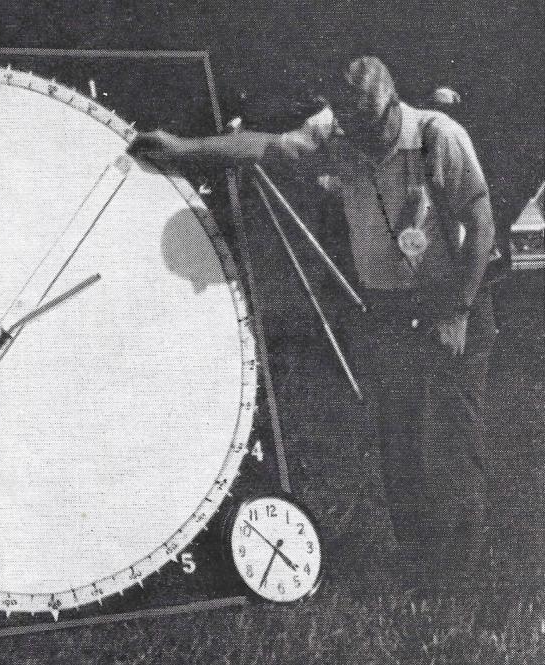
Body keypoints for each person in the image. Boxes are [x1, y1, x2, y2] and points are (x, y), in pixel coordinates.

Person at [129, 56, 498, 587]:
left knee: (451, 430)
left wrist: (459, 309)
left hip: (450, 299)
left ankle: (463, 566)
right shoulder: (335, 131)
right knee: (400, 430)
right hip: (391, 308)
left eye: (372, 130)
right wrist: (185, 150)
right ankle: (417, 553)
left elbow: (480, 225)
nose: (364, 143)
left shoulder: (440, 136)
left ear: (393, 107)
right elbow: (263, 147)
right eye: (353, 130)